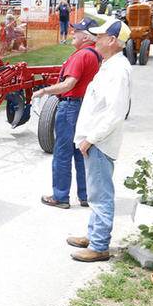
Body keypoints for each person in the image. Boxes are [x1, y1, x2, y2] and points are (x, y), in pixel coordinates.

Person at [68, 19, 133, 262]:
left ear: (113, 41)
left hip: (100, 142)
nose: (96, 38)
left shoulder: (117, 70)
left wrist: (90, 139)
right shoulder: (110, 65)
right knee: (96, 191)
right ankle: (94, 234)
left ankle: (99, 245)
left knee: (100, 194)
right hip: (95, 141)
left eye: (101, 35)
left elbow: (115, 112)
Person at [33, 17, 101, 209]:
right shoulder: (96, 55)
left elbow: (68, 84)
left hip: (70, 107)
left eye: (77, 31)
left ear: (87, 37)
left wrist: (44, 91)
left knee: (62, 152)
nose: (73, 33)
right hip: (83, 107)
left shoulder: (80, 56)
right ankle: (86, 194)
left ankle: (60, 196)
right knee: (81, 151)